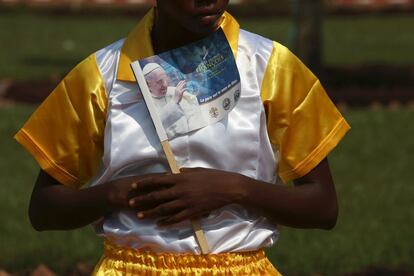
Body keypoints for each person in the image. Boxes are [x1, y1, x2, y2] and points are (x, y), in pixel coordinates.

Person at [15, 0, 350, 275]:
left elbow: (323, 207)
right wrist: (117, 194)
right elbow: (43, 210)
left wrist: (234, 189)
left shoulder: (271, 68)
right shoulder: (100, 78)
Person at [143, 62, 202, 139]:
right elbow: (156, 125)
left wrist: (194, 135)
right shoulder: (146, 104)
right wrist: (174, 101)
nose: (164, 85)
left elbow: (193, 114)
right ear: (148, 85)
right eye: (159, 82)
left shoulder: (175, 91)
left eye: (165, 79)